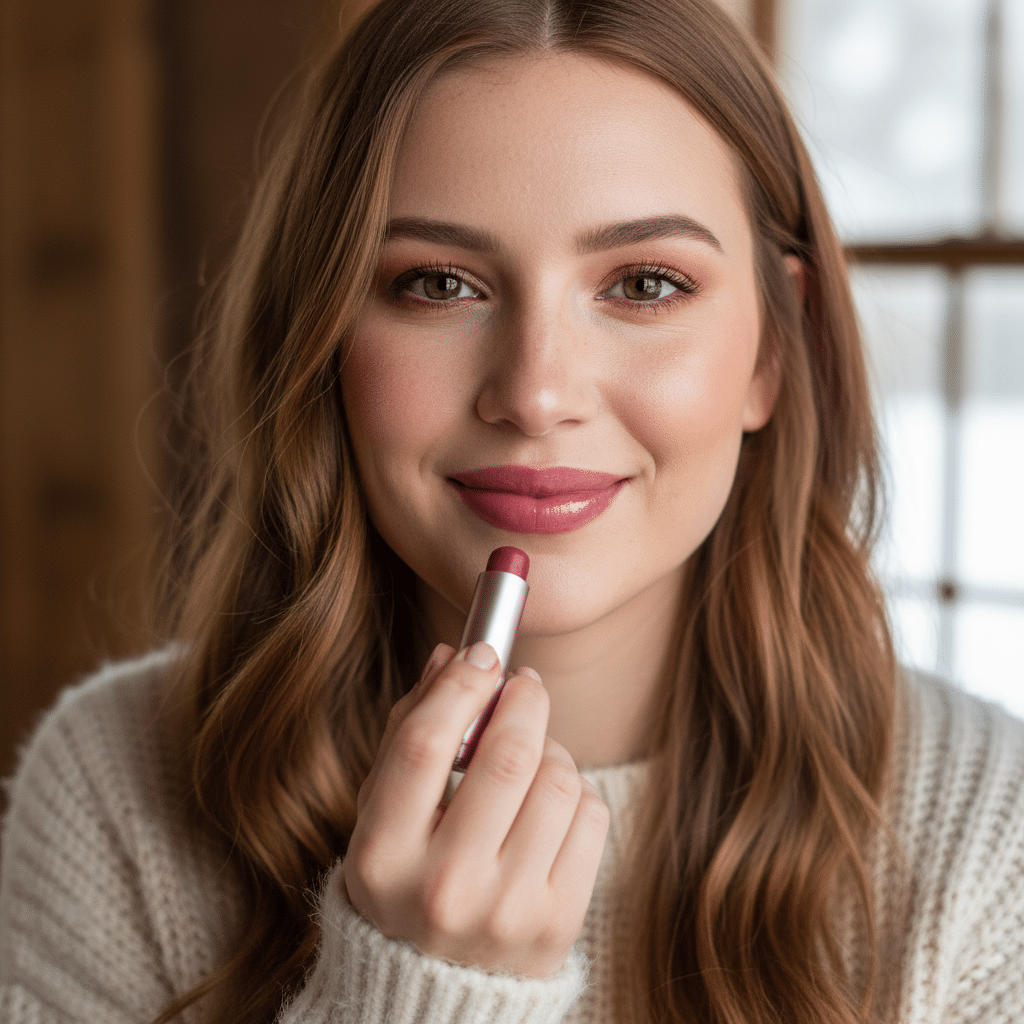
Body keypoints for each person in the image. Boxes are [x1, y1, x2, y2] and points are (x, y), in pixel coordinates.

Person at [2, 0, 1023, 1022]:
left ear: (773, 349)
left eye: (646, 284)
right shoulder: (115, 786)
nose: (535, 394)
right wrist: (418, 986)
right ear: (322, 334)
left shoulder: (989, 834)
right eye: (438, 284)